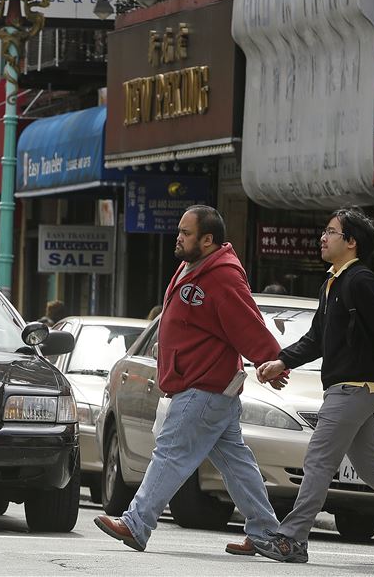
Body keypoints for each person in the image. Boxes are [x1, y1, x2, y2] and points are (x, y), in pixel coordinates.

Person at [95, 205, 285, 555]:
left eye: (185, 233)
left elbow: (247, 321)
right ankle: (268, 534)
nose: (177, 238)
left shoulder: (222, 275)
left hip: (204, 386)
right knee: (236, 463)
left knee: (170, 453)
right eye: (179, 231)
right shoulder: (192, 267)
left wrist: (272, 360)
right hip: (205, 387)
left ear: (208, 240)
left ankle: (136, 524)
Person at [254, 208, 374, 565]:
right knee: (373, 468)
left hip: (354, 388)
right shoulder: (333, 282)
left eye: (331, 232)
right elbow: (317, 338)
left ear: (351, 242)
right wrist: (282, 361)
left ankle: (292, 539)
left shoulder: (360, 282)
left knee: (317, 460)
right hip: (349, 389)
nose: (323, 237)